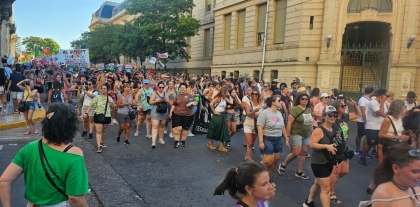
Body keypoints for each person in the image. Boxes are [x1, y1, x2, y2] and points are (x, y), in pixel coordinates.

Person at [0, 103, 89, 207]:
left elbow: (4, 181)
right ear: (71, 126)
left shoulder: (30, 147)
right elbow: (75, 198)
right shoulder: (74, 154)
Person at [303, 106, 339, 207]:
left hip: (328, 161)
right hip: (319, 162)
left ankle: (308, 202)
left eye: (335, 115)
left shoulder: (333, 128)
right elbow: (311, 144)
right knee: (326, 189)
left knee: (318, 184)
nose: (333, 117)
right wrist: (326, 146)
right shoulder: (319, 130)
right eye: (330, 115)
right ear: (324, 116)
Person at [328, 99, 361, 205]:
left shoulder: (345, 117)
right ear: (336, 107)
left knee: (344, 171)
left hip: (344, 148)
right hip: (335, 148)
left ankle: (327, 183)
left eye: (344, 106)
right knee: (336, 172)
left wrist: (355, 105)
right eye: (342, 106)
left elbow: (358, 114)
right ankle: (331, 192)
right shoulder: (331, 119)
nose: (344, 107)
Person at [279, 93, 313, 180]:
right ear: (299, 100)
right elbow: (289, 123)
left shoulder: (309, 109)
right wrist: (287, 136)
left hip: (306, 134)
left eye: (306, 99)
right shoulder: (295, 110)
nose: (305, 100)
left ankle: (299, 171)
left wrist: (312, 133)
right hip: (297, 133)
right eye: (302, 99)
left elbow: (311, 122)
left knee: (303, 153)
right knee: (296, 153)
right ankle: (284, 164)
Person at [257, 96, 287, 181]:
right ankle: (253, 172)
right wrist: (261, 142)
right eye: (279, 100)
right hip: (267, 138)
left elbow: (282, 127)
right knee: (268, 161)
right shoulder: (264, 113)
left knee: (275, 160)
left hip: (278, 139)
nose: (281, 102)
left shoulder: (279, 113)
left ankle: (268, 179)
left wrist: (286, 139)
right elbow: (260, 127)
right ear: (273, 102)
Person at [360, 89, 388, 167]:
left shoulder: (384, 104)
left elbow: (385, 113)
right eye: (385, 95)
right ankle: (362, 157)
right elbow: (382, 113)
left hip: (381, 127)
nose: (386, 97)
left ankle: (381, 164)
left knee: (380, 145)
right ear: (382, 95)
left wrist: (381, 112)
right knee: (370, 144)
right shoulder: (373, 102)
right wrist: (381, 108)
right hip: (372, 127)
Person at [84, 84, 115, 153]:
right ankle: (98, 146)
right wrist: (86, 113)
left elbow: (113, 108)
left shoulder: (109, 98)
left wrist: (112, 103)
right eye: (102, 88)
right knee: (98, 131)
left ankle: (102, 142)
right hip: (98, 115)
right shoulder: (97, 97)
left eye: (104, 88)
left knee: (104, 130)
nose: (103, 90)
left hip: (107, 115)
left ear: (107, 90)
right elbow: (91, 105)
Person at [378, 100, 410, 164]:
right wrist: (398, 137)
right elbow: (381, 134)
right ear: (399, 108)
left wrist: (406, 134)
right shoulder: (388, 119)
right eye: (404, 107)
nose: (405, 108)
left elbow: (399, 130)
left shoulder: (399, 118)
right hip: (389, 145)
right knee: (389, 164)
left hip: (397, 144)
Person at [169, 82, 198, 148]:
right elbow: (174, 104)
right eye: (181, 88)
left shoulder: (189, 95)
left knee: (185, 129)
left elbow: (196, 102)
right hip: (177, 114)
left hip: (188, 115)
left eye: (184, 88)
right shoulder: (178, 96)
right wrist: (171, 112)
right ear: (179, 88)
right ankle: (176, 141)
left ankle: (183, 141)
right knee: (177, 128)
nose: (183, 89)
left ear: (186, 88)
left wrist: (192, 103)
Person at [207, 86, 233, 152]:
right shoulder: (218, 98)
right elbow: (211, 104)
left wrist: (229, 95)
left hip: (223, 115)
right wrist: (214, 111)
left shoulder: (225, 98)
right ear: (224, 92)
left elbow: (231, 102)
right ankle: (210, 143)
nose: (228, 92)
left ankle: (221, 145)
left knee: (223, 130)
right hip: (217, 116)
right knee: (216, 129)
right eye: (227, 91)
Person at [243, 88, 264, 161]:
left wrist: (255, 115)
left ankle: (247, 155)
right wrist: (254, 111)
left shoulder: (262, 104)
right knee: (249, 142)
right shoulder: (248, 102)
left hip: (257, 124)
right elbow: (248, 114)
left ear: (258, 95)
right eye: (253, 94)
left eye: (256, 94)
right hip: (248, 123)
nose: (254, 95)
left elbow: (263, 115)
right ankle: (249, 158)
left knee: (252, 143)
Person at [355, 86, 375, 157]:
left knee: (367, 136)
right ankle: (358, 150)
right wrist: (365, 121)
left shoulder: (368, 99)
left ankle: (364, 151)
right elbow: (362, 111)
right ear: (372, 92)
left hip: (367, 120)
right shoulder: (363, 99)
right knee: (360, 135)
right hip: (362, 120)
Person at [149, 81, 170, 148]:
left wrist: (165, 100)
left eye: (162, 87)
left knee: (162, 126)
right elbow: (150, 102)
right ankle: (153, 142)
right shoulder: (154, 93)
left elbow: (169, 102)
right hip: (156, 111)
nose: (161, 88)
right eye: (160, 87)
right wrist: (157, 101)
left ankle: (160, 139)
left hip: (163, 111)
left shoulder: (165, 93)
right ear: (157, 87)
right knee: (155, 126)